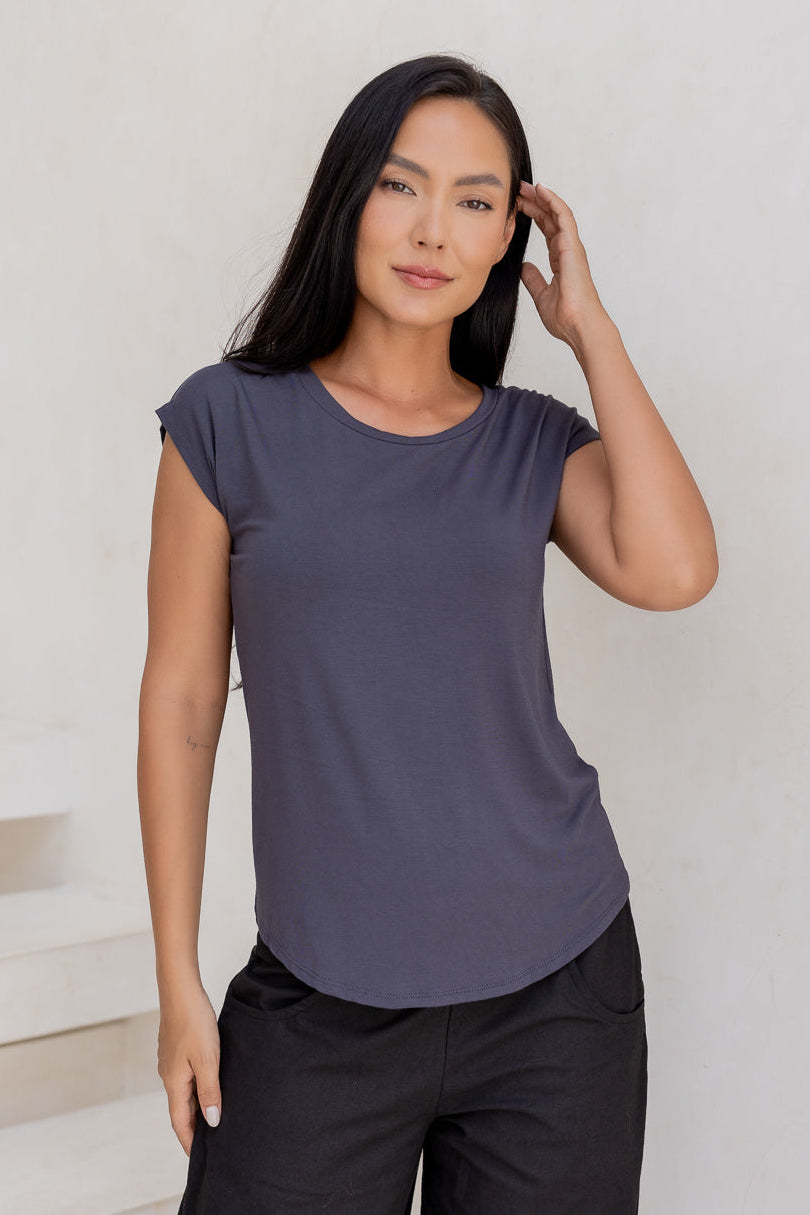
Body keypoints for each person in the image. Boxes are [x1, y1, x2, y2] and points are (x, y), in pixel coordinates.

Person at [137, 52, 718, 1215]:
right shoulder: (226, 419)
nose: (433, 231)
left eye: (476, 202)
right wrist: (177, 980)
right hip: (319, 1001)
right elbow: (185, 704)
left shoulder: (529, 442)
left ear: (510, 239)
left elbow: (676, 570)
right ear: (349, 195)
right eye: (403, 186)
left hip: (557, 991)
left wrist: (589, 330)